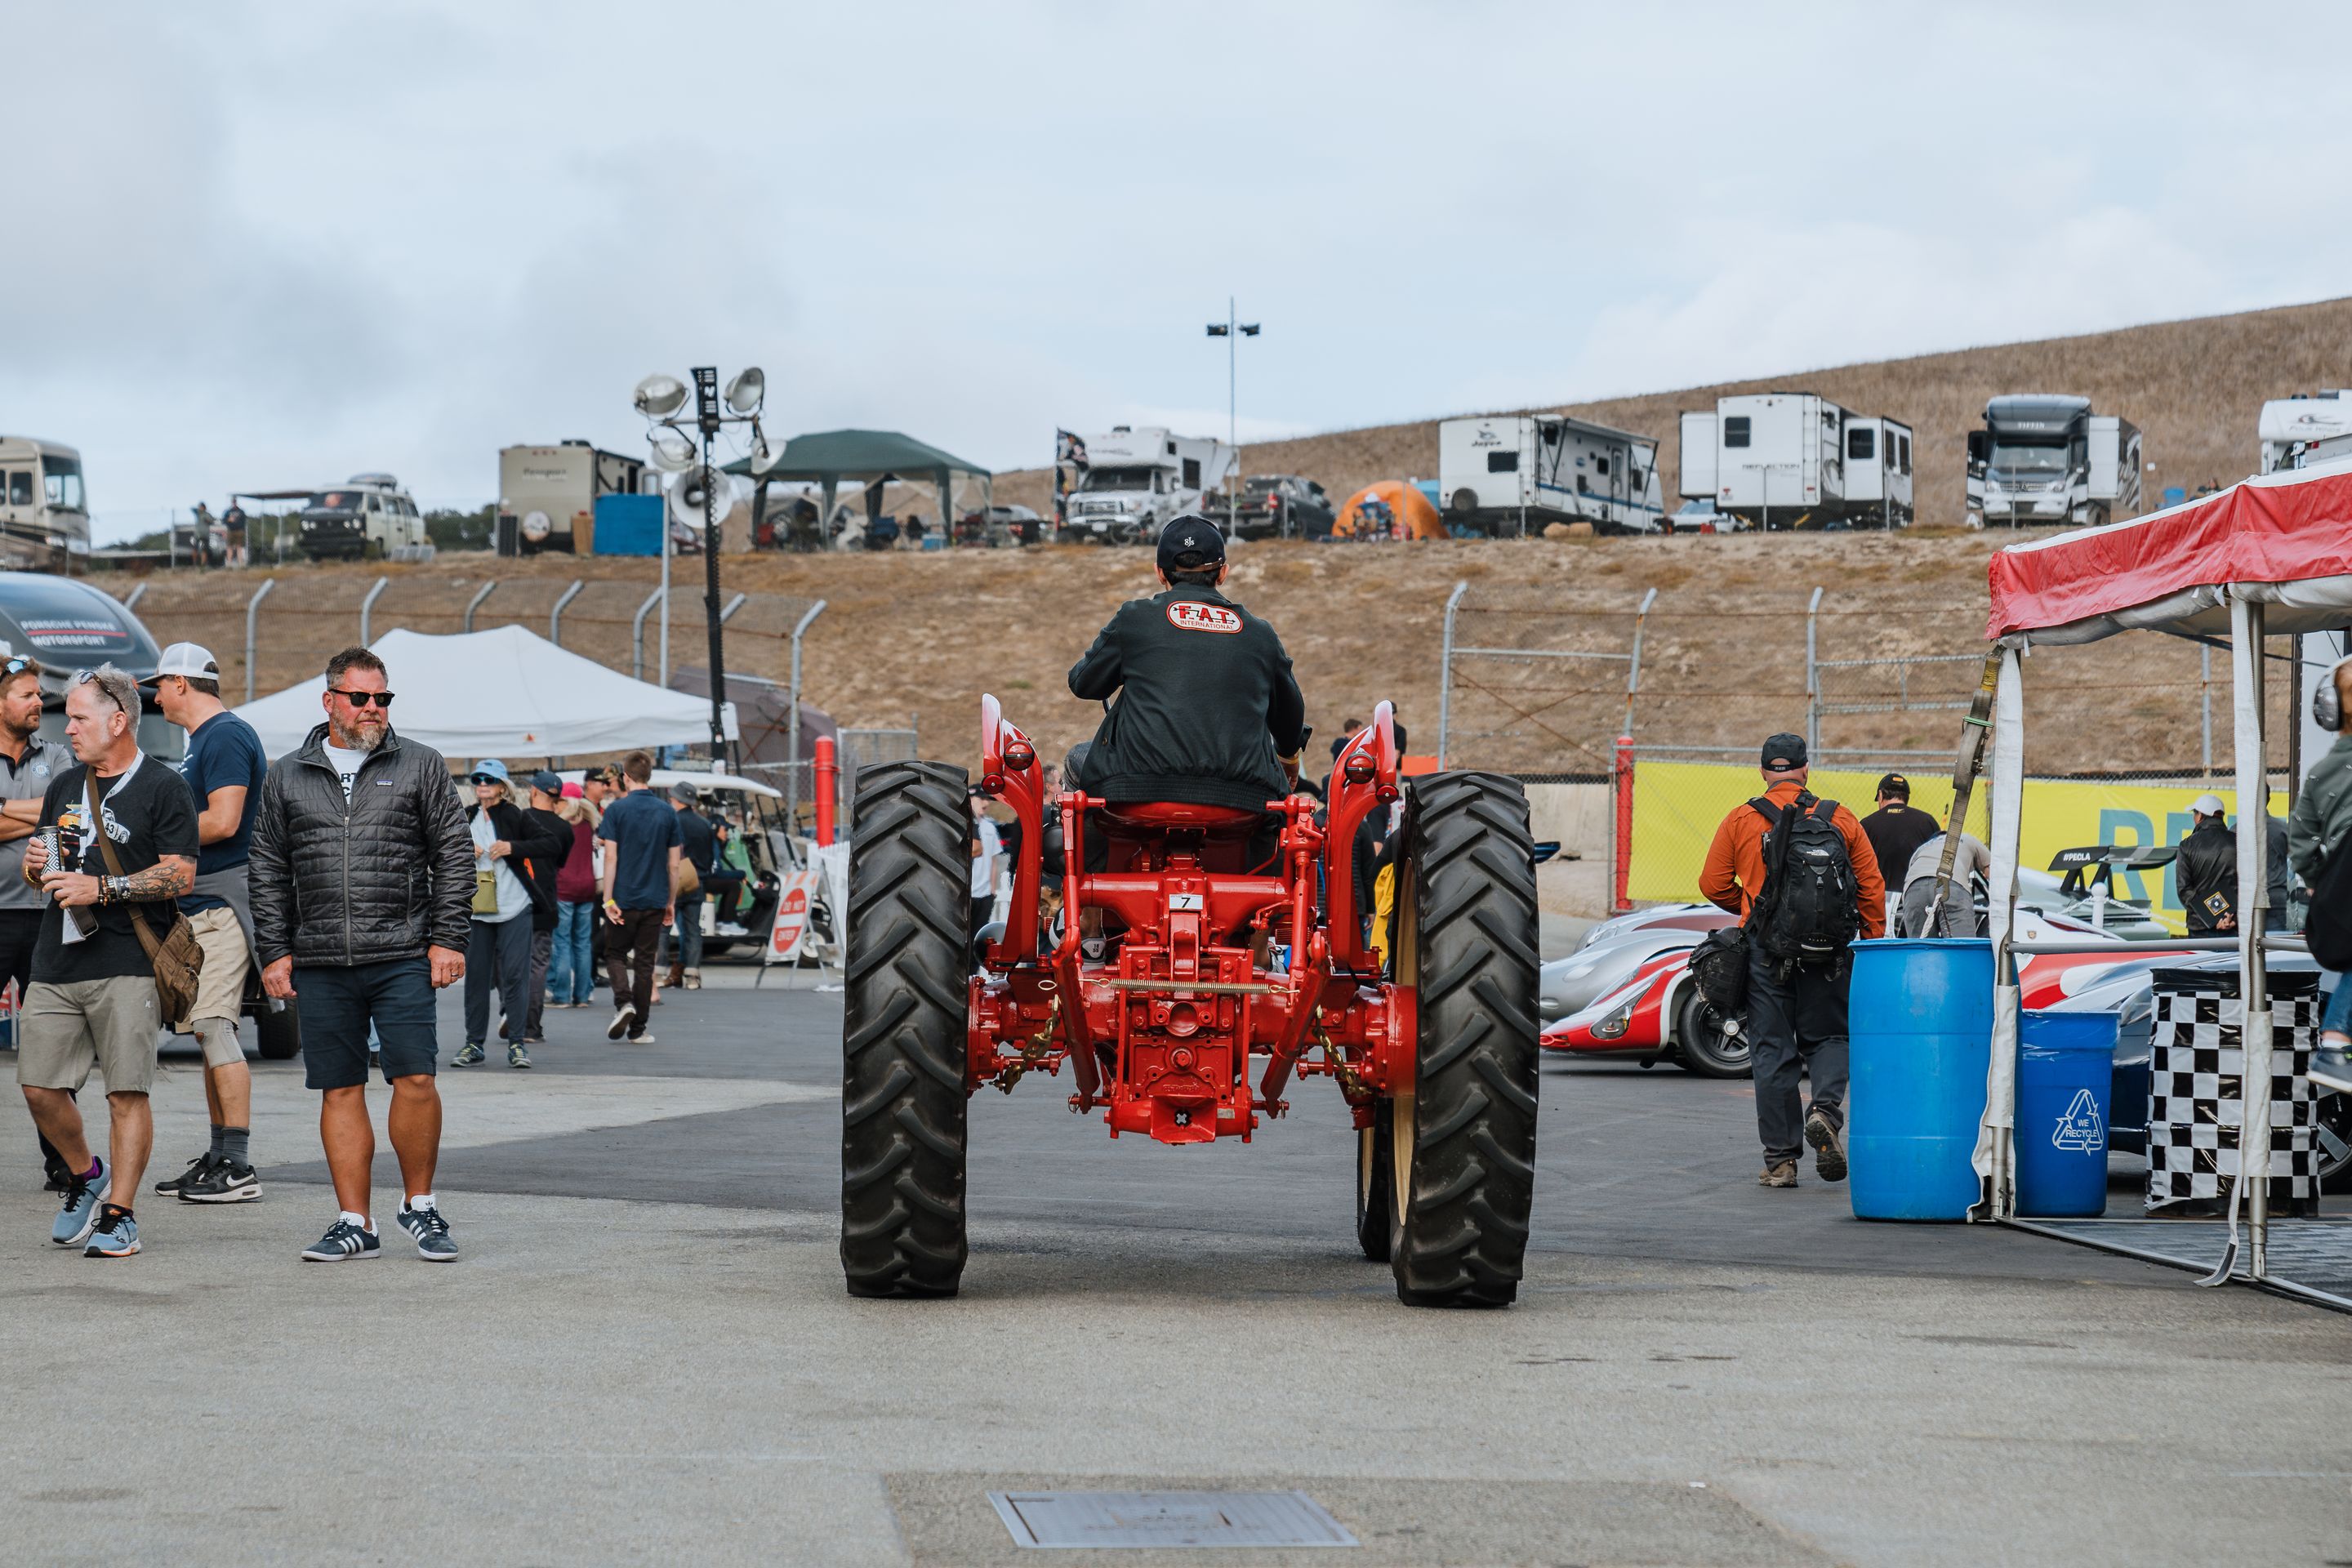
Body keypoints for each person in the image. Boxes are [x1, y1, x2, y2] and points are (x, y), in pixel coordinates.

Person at [250, 646, 473, 1263]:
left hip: (402, 951)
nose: (374, 707)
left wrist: (449, 938)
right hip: (320, 957)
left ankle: (419, 1206)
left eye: (383, 698)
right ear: (330, 701)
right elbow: (267, 867)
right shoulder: (287, 773)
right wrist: (274, 950)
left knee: (416, 1077)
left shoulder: (420, 764)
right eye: (361, 697)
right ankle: (356, 1222)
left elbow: (455, 854)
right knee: (340, 1087)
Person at [17, 665, 200, 1258]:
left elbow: (180, 874)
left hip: (129, 959)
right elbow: (45, 869)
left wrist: (103, 889)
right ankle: (85, 1173)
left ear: (118, 721)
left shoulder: (164, 786)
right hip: (57, 956)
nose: (66, 728)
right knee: (39, 1087)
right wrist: (36, 867)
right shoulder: (65, 785)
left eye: (78, 718)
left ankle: (120, 1215)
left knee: (126, 1092)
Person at [1699, 733, 1885, 1189]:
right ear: (1805, 769)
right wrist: (1871, 940)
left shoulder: (1741, 818)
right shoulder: (1840, 817)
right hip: (1828, 953)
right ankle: (1824, 1111)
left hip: (1765, 952)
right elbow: (1870, 886)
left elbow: (1712, 883)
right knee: (1829, 1038)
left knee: (1772, 1051)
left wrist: (1753, 908)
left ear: (1764, 771)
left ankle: (1781, 1161)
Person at [1066, 515, 1306, 822]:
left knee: (1077, 760)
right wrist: (1289, 757)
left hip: (1137, 790)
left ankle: (1089, 850)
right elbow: (1290, 715)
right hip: (1243, 798)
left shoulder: (1134, 618)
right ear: (1223, 573)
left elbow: (1083, 683)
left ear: (1159, 573)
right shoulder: (1261, 633)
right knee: (1273, 833)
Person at [142, 643, 270, 1204]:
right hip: (202, 904)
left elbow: (224, 820)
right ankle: (219, 1155)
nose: (155, 697)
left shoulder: (224, 735)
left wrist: (152, 834)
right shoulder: (204, 739)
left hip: (222, 902)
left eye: (159, 686)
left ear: (180, 683)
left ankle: (238, 1166)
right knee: (205, 1030)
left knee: (216, 1027)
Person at [0, 655, 76, 1191]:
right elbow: (49, 815)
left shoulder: (58, 755)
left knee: (53, 1044)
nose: (38, 703)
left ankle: (65, 1161)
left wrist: (6, 808)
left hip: (48, 916)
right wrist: (39, 813)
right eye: (26, 694)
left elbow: (68, 818)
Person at [457, 760, 564, 1068]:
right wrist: (466, 847)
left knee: (516, 976)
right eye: (477, 779)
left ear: (503, 786)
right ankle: (473, 1044)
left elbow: (551, 844)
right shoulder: (467, 815)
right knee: (476, 978)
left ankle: (517, 1043)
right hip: (478, 909)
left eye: (489, 779)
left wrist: (511, 847)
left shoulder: (516, 815)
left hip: (514, 906)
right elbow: (441, 848)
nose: (482, 784)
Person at [2292, 655, 2352, 1080]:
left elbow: (2301, 847)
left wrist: (2325, 885)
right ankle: (2335, 1041)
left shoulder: (2319, 773)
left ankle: (2335, 1043)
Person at [597, 751, 680, 1044]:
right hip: (655, 898)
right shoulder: (667, 812)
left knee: (615, 954)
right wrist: (670, 901)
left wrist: (608, 899)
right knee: (645, 964)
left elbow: (611, 857)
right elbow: (674, 864)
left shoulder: (616, 811)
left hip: (624, 897)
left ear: (625, 777)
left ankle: (624, 1002)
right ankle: (638, 1029)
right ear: (649, 776)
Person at [518, 770, 572, 1040]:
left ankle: (511, 1011)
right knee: (538, 965)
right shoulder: (564, 829)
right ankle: (531, 1026)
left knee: (511, 962)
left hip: (515, 901)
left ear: (535, 791)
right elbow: (560, 863)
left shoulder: (520, 820)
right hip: (546, 900)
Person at [1859, 773, 1939, 929]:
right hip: (1918, 902)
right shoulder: (1927, 821)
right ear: (1906, 797)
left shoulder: (1867, 824)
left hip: (1878, 904)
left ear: (1880, 795)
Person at [549, 782, 601, 1009]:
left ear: (566, 801)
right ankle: (582, 995)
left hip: (564, 888)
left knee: (561, 942)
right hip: (587, 887)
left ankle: (561, 995)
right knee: (583, 944)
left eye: (558, 800)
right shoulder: (589, 824)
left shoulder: (560, 825)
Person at [1899, 813, 1989, 939]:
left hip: (1914, 890)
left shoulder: (1921, 849)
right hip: (1950, 884)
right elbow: (1992, 869)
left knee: (1922, 947)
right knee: (1961, 946)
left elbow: (1910, 877)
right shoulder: (1966, 839)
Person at [664, 781, 715, 991]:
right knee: (693, 930)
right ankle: (692, 974)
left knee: (663, 928)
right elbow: (711, 856)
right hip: (696, 881)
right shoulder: (704, 824)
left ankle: (659, 972)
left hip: (674, 879)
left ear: (677, 799)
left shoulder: (672, 821)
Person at [2176, 792, 2238, 934]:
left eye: (2195, 813)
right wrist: (2230, 917)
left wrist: (2214, 915)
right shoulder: (2238, 842)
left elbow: (2184, 890)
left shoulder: (2187, 845)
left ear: (2200, 816)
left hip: (2200, 926)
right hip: (2232, 923)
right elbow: (2247, 885)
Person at [969, 789, 1001, 956]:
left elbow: (994, 861)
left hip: (985, 893)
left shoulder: (990, 827)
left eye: (988, 800)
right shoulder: (962, 826)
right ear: (971, 798)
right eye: (982, 799)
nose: (986, 803)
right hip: (967, 892)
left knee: (978, 939)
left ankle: (973, 969)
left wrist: (993, 890)